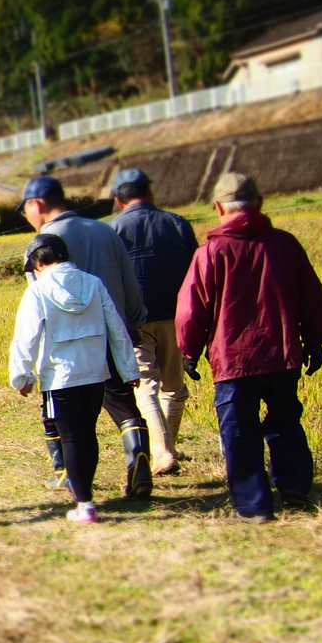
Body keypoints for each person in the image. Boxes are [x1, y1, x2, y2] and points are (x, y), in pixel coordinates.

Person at [176, 172, 322, 521]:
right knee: (285, 422)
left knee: (239, 432)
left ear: (218, 208)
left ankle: (253, 504)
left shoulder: (210, 252)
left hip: (233, 362)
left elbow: (191, 309)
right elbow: (312, 297)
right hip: (282, 354)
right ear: (260, 203)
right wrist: (315, 339)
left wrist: (189, 350)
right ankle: (294, 491)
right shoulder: (285, 245)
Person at [21, 175, 152, 498]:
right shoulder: (106, 229)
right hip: (109, 335)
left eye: (25, 209)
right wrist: (132, 320)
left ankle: (65, 472)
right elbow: (129, 280)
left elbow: (36, 302)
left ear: (36, 204)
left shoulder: (44, 241)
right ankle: (139, 466)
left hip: (66, 350)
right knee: (125, 408)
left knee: (58, 416)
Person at [9, 234, 139, 524]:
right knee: (87, 433)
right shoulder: (94, 283)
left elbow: (25, 339)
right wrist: (129, 369)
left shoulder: (38, 292)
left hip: (60, 377)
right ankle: (86, 495)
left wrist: (22, 376)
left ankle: (85, 504)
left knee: (70, 438)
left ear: (39, 262)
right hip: (95, 373)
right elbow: (117, 328)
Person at [109, 167, 199, 475]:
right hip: (176, 315)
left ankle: (163, 452)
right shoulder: (177, 224)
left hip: (134, 320)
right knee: (173, 386)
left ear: (118, 200)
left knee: (145, 385)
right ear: (150, 192)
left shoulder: (114, 230)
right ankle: (166, 448)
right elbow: (195, 273)